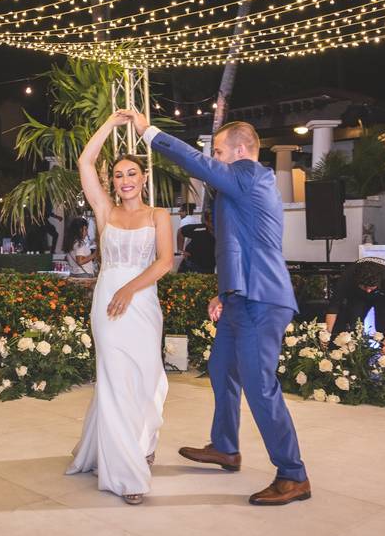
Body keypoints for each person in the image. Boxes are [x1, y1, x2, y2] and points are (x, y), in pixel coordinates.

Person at [127, 109, 310, 507]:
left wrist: (150, 132)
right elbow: (240, 245)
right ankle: (226, 447)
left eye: (221, 152)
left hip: (261, 300)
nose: (217, 159)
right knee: (221, 368)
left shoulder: (249, 175)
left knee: (260, 387)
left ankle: (293, 475)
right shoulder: (239, 187)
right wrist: (222, 292)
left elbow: (199, 164)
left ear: (241, 150)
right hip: (240, 297)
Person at [66, 111, 174, 506]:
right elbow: (84, 162)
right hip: (108, 306)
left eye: (131, 173)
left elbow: (164, 262)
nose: (124, 180)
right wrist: (111, 125)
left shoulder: (159, 215)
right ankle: (126, 472)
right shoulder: (105, 212)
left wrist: (130, 289)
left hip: (141, 301)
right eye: (118, 175)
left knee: (147, 379)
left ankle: (141, 441)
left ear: (143, 178)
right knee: (114, 383)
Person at [325, 257, 385, 361]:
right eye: (365, 287)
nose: (368, 291)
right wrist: (326, 335)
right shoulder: (348, 276)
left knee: (384, 329)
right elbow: (333, 307)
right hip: (358, 295)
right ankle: (355, 368)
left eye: (371, 287)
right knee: (353, 326)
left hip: (384, 295)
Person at [178, 209, 216, 274]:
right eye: (212, 221)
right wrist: (181, 250)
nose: (215, 224)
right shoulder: (199, 229)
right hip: (191, 265)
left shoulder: (222, 233)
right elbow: (181, 232)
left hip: (209, 267)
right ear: (206, 222)